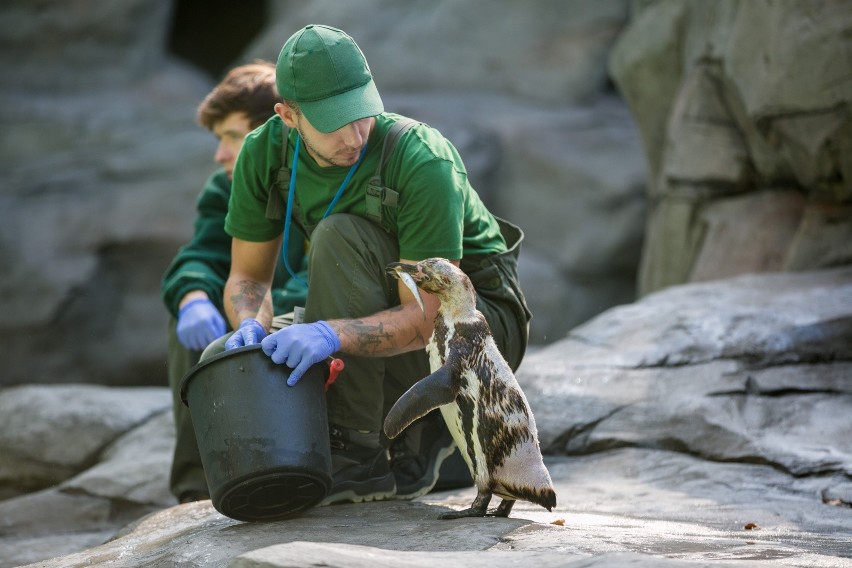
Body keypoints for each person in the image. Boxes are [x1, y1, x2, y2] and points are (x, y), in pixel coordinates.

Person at [215, 24, 532, 505]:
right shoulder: (263, 152)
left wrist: (327, 335)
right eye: (332, 121)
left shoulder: (421, 157)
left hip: (470, 328)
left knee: (340, 235)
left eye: (360, 113)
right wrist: (248, 327)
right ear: (288, 116)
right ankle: (382, 442)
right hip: (375, 304)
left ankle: (357, 454)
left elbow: (428, 320)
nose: (353, 135)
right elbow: (249, 278)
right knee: (224, 359)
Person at [160, 61, 307, 504]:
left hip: (310, 323)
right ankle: (197, 487)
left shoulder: (320, 176)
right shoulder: (223, 187)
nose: (220, 154)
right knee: (186, 318)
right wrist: (193, 297)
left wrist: (271, 315)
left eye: (231, 136)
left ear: (275, 128)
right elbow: (201, 256)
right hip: (248, 314)